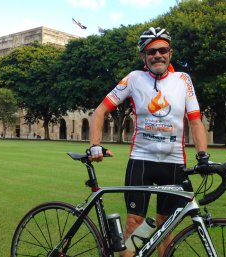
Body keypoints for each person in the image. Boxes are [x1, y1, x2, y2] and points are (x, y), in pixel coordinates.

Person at [88, 27, 209, 257]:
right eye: (151, 51)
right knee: (134, 222)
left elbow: (195, 121)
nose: (157, 55)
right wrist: (95, 145)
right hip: (141, 160)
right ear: (144, 56)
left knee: (166, 226)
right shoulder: (134, 79)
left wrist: (202, 156)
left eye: (162, 50)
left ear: (170, 53)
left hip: (174, 163)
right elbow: (100, 110)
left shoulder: (183, 80)